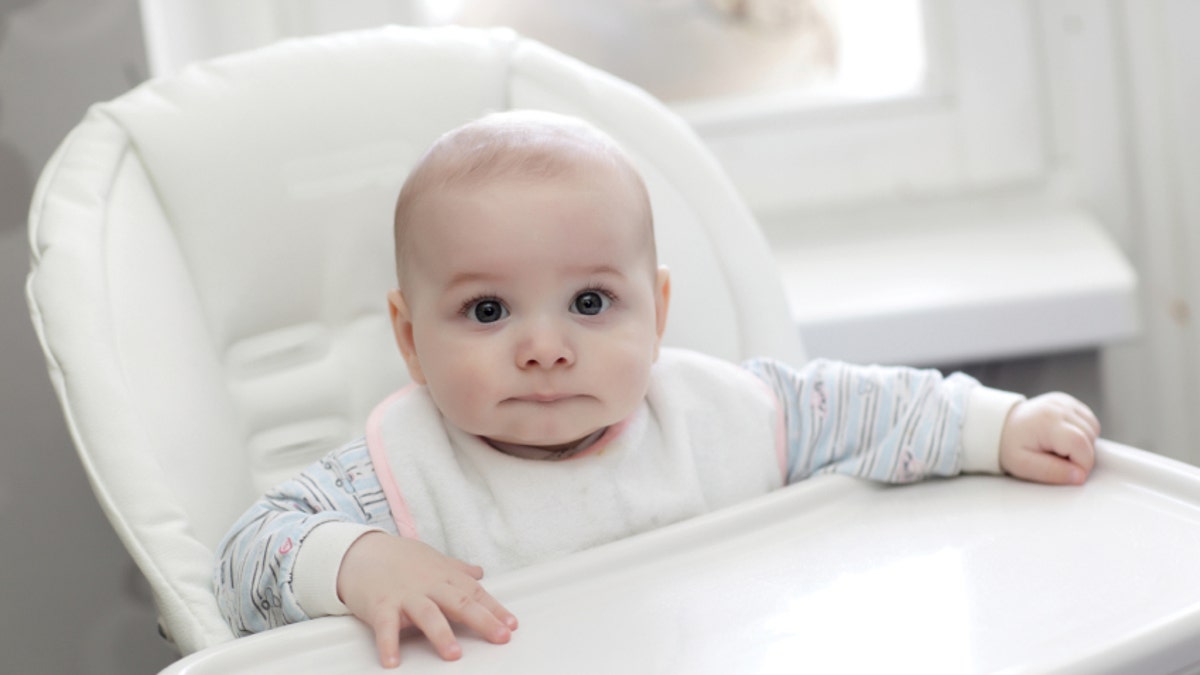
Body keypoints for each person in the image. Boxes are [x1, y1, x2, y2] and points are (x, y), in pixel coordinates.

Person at [213, 110, 1099, 669]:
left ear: (658, 309)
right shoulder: (394, 481)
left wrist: (999, 424)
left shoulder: (716, 416)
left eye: (591, 302)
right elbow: (248, 556)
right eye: (487, 310)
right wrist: (363, 562)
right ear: (410, 339)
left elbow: (864, 408)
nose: (546, 348)